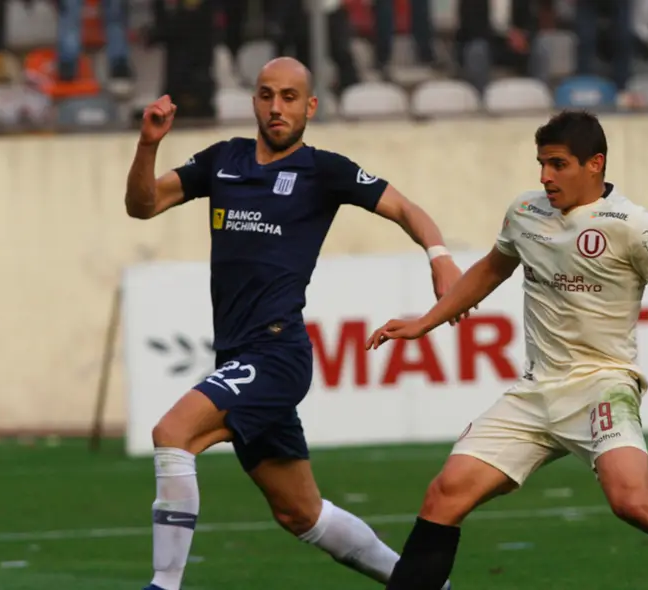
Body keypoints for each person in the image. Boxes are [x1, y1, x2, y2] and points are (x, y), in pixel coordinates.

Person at [365, 111, 648, 590]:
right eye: (541, 164)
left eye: (558, 164)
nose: (545, 176)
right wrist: (426, 321)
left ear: (595, 164)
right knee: (444, 495)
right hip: (536, 391)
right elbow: (492, 268)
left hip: (602, 387)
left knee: (634, 502)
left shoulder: (633, 226)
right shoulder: (525, 212)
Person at [124, 57, 461, 590]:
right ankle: (423, 585)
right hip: (237, 356)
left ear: (310, 106)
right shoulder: (223, 159)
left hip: (277, 354)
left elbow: (404, 208)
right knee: (301, 514)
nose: (276, 107)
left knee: (173, 433)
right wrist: (148, 145)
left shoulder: (323, 171)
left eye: (288, 97)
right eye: (266, 95)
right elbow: (142, 206)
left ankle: (163, 586)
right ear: (254, 101)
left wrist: (439, 257)